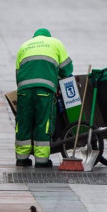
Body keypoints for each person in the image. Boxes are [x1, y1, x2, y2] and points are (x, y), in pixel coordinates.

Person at [14, 28, 73, 168]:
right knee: (43, 122)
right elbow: (67, 69)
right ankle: (41, 161)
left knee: (23, 122)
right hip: (44, 90)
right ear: (48, 37)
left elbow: (18, 72)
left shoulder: (24, 46)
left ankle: (22, 159)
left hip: (24, 91)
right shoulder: (55, 43)